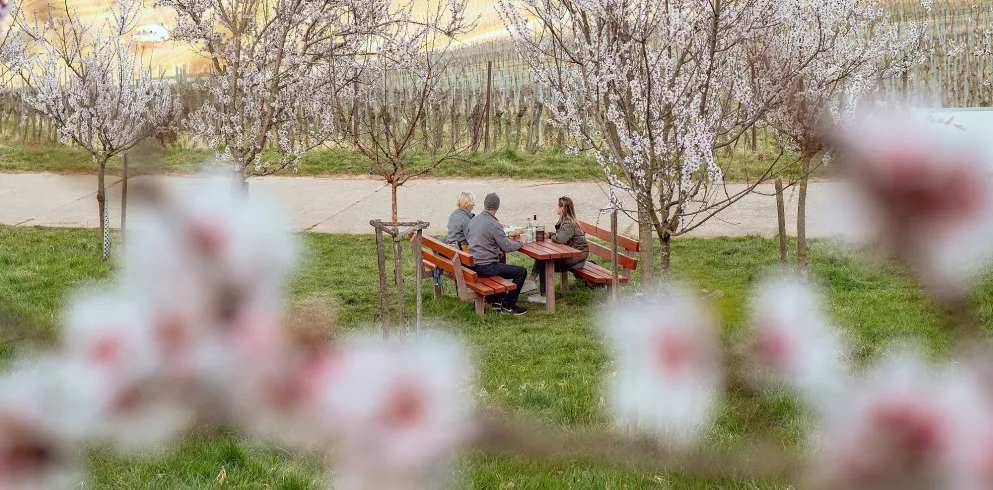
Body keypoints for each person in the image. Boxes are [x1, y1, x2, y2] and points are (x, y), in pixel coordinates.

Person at [466, 193, 528, 315]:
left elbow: (473, 239)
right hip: (486, 267)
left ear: (485, 204)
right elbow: (507, 246)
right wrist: (521, 242)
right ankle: (508, 305)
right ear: (497, 206)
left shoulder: (474, 220)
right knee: (521, 272)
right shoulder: (494, 224)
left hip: (473, 265)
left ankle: (497, 299)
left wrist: (494, 249)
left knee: (501, 261)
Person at [527, 196, 589, 305]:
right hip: (574, 255)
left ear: (562, 208)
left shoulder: (569, 223)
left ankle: (542, 292)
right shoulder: (566, 221)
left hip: (576, 258)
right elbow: (561, 235)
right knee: (543, 258)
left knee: (545, 261)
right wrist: (549, 234)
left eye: (558, 205)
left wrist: (551, 236)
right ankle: (534, 284)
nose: (556, 207)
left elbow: (560, 239)